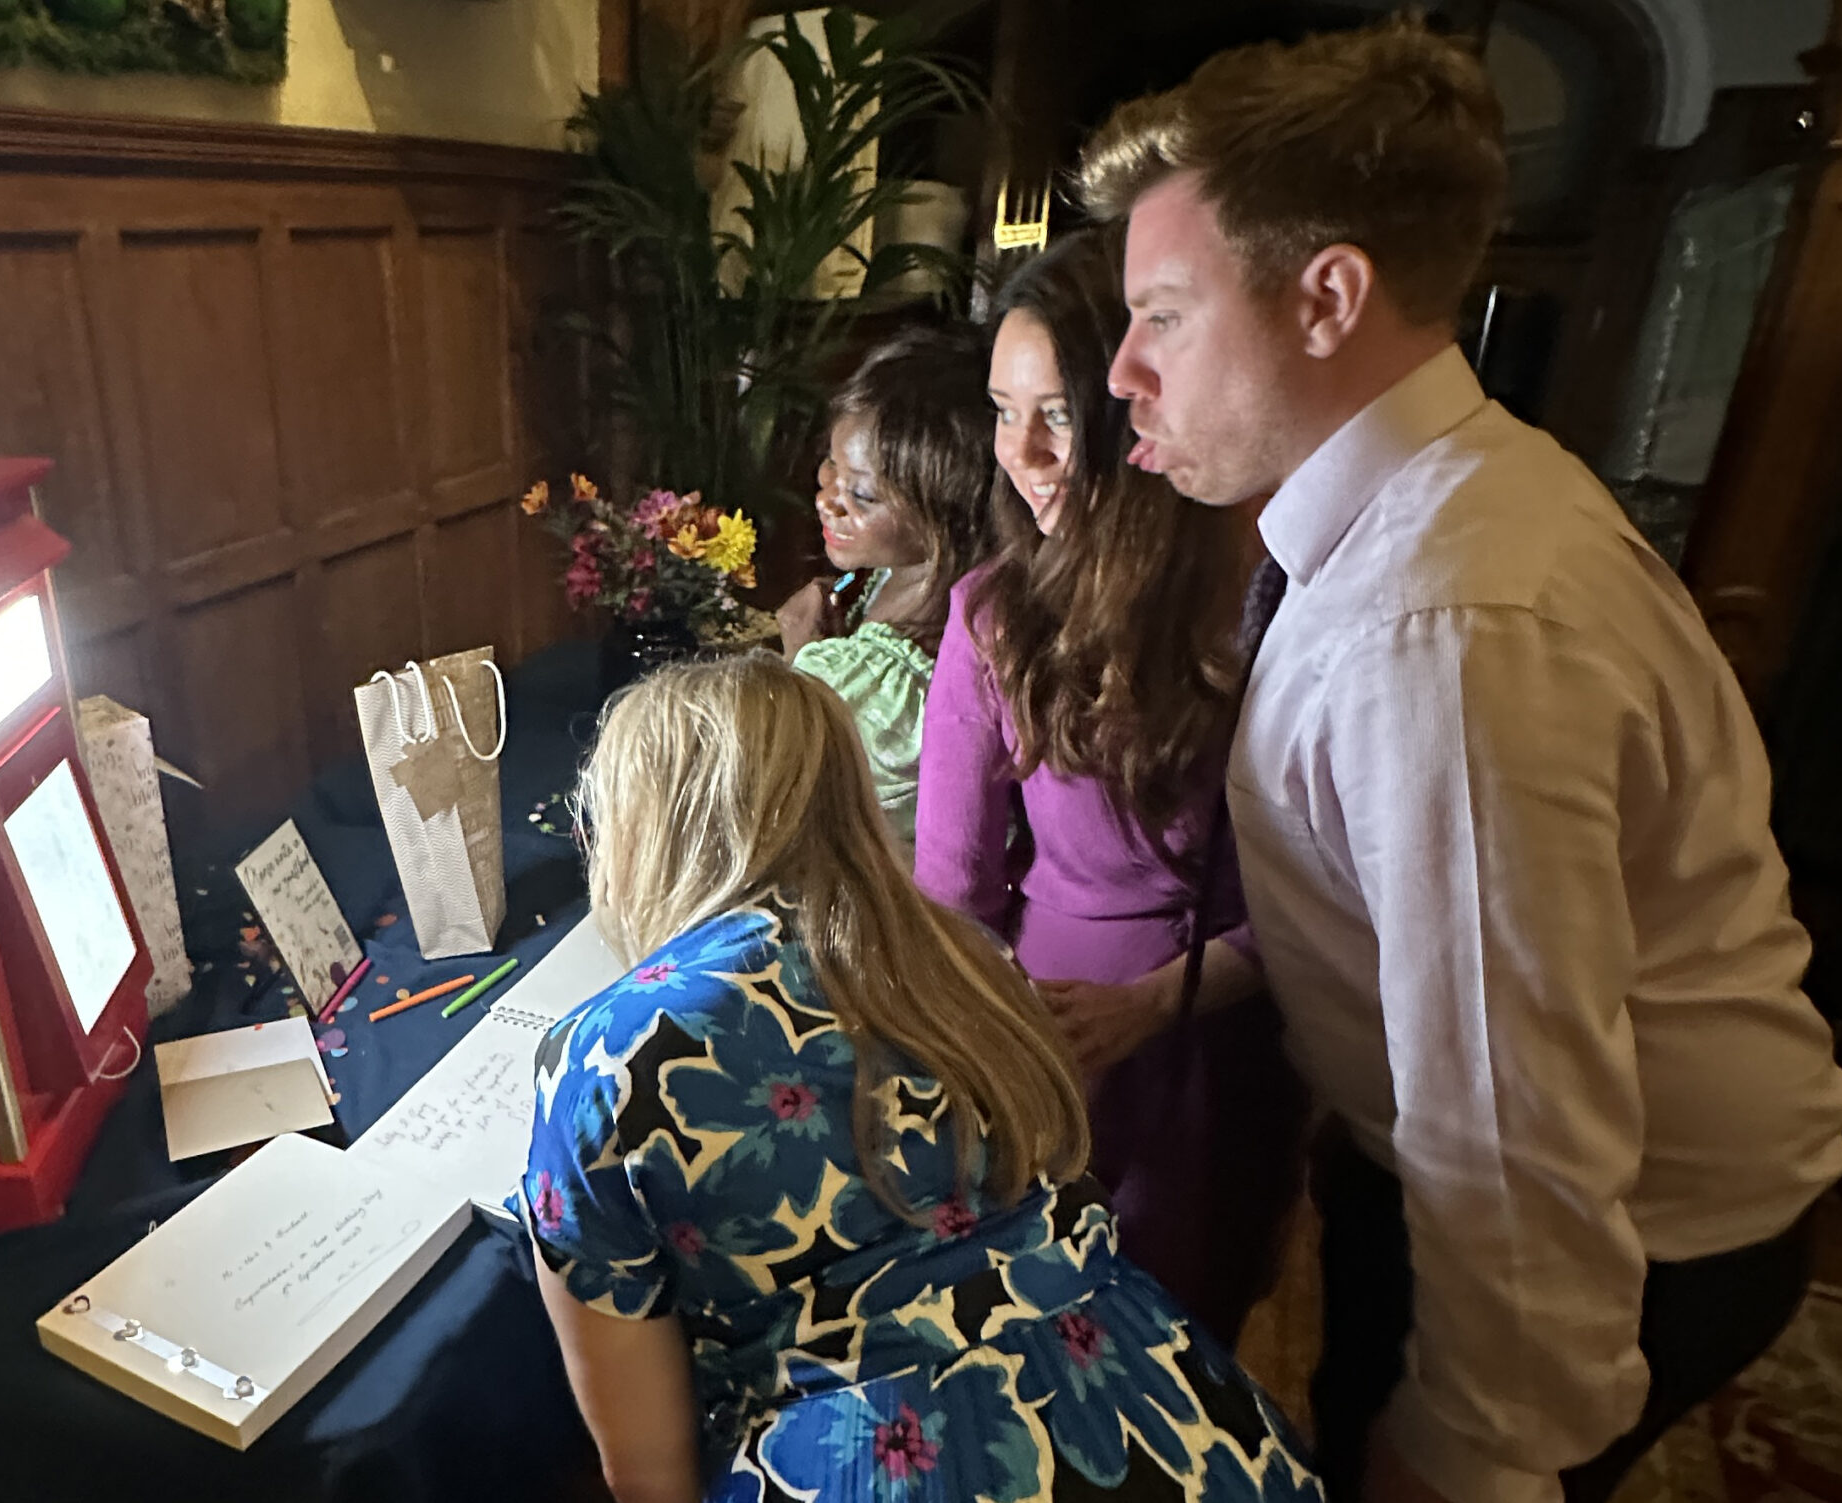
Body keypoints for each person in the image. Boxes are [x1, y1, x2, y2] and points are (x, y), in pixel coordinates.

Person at [1078, 18, 1842, 1503]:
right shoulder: (1442, 502)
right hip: (1539, 1196)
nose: (1123, 371)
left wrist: (1475, 1450)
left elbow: (1515, 1116)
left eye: (1163, 315)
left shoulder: (1440, 622)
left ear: (1326, 297)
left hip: (1624, 1235)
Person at [520, 654, 1322, 1503]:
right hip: (1164, 1423)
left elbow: (649, 1474)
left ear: (641, 828)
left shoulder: (606, 1056)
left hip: (882, 1464)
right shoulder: (968, 961)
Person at [913, 227, 1305, 1348]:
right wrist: (987, 1035)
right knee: (1066, 1322)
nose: (1023, 454)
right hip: (1056, 1029)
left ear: (1136, 408)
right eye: (1003, 412)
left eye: (1057, 414)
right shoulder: (994, 611)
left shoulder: (1268, 593)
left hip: (1239, 1025)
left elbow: (1337, 887)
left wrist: (1155, 1002)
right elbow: (953, 888)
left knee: (1177, 1324)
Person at [777, 325, 1001, 858]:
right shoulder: (932, 586)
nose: (828, 498)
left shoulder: (869, 685)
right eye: (831, 463)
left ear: (944, 517)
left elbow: (780, 801)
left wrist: (798, 661)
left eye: (861, 494)